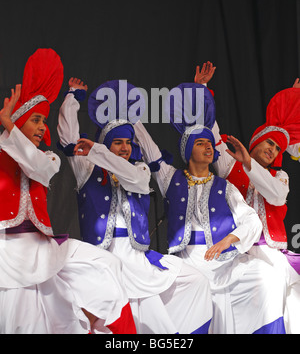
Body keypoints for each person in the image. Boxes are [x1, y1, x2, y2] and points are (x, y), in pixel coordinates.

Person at [57, 77, 213, 334]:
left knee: (194, 282)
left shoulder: (138, 170)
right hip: (103, 260)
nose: (125, 148)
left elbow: (137, 179)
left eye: (128, 143)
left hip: (136, 260)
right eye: (118, 142)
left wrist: (119, 132)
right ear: (106, 144)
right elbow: (69, 139)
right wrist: (72, 98)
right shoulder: (87, 170)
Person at [0, 48, 136, 334]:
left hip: (43, 246)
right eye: (35, 120)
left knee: (105, 264)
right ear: (20, 119)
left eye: (43, 121)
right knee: (25, 318)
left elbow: (34, 165)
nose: (41, 127)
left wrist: (10, 125)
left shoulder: (48, 158)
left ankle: (114, 330)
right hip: (7, 252)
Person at [133, 80, 286, 334]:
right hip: (189, 260)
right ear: (187, 150)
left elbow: (252, 220)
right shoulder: (170, 177)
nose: (208, 146)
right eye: (200, 143)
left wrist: (229, 240)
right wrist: (134, 121)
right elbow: (151, 152)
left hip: (223, 260)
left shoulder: (224, 187)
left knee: (267, 274)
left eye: (208, 143)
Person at [195, 61, 300, 334]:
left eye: (277, 147)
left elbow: (277, 198)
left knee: (285, 291)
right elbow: (212, 134)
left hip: (268, 251)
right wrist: (202, 90)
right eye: (269, 143)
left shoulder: (279, 177)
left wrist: (250, 166)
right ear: (256, 143)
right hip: (235, 247)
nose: (273, 150)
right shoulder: (231, 165)